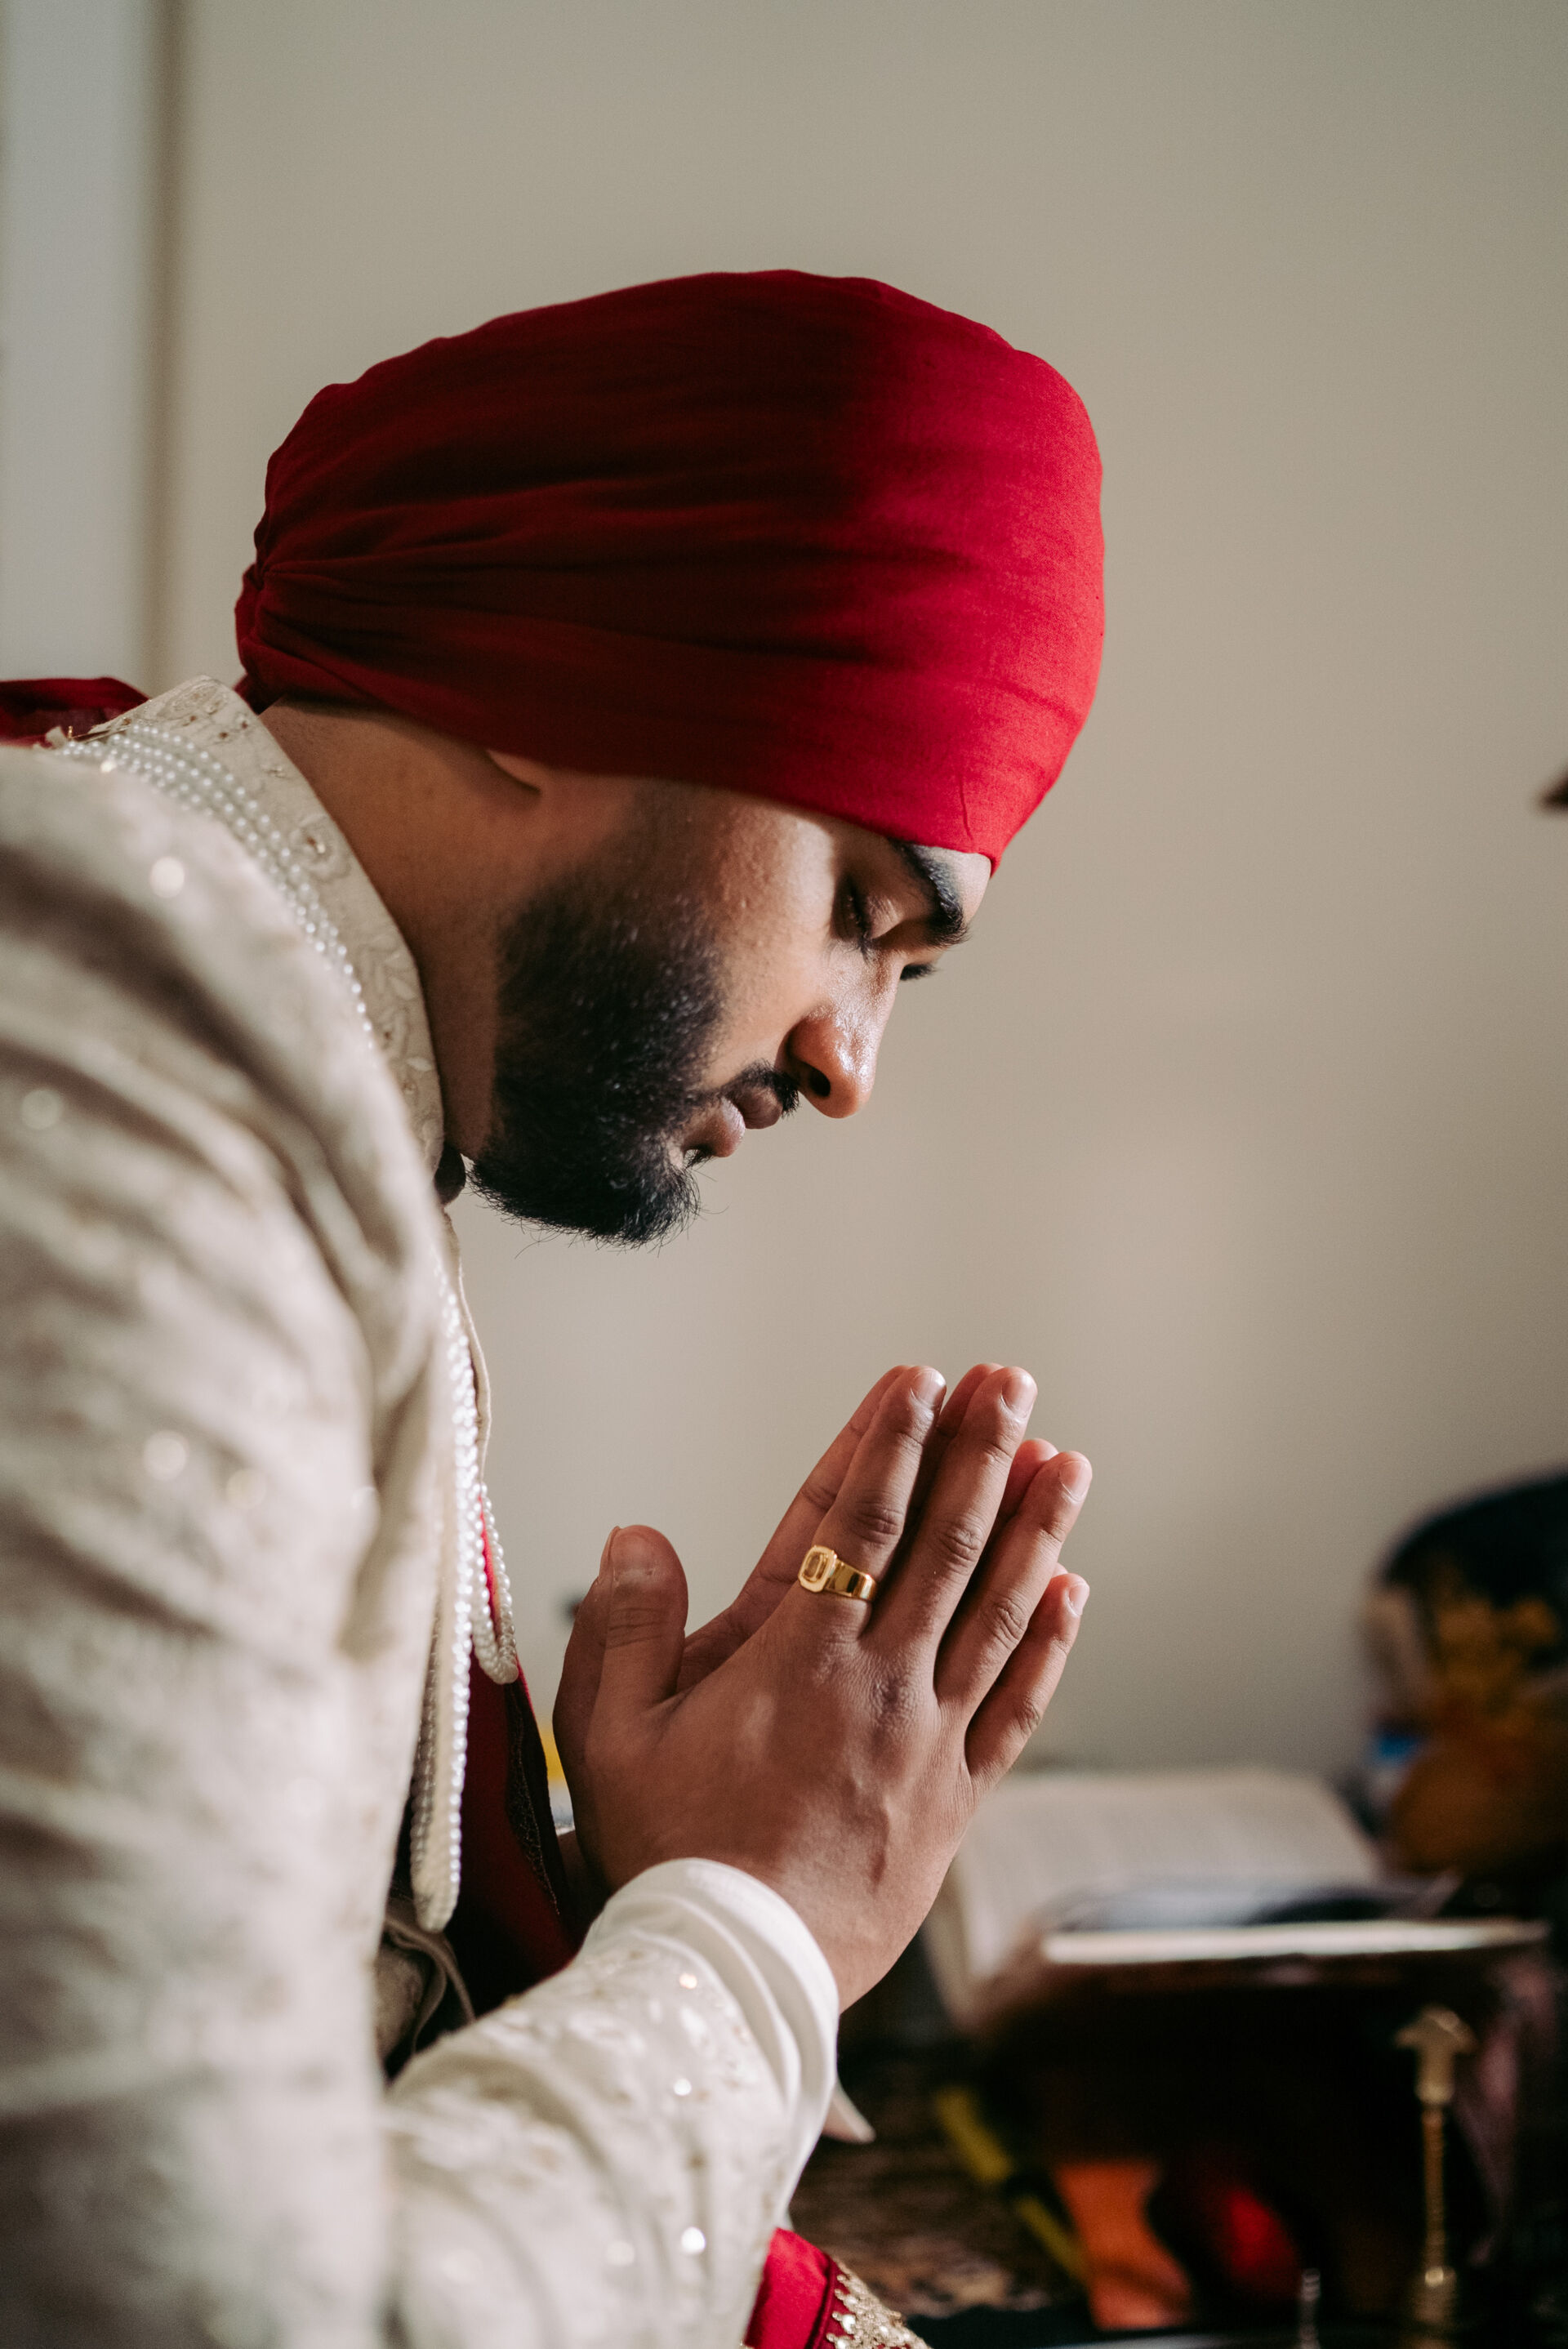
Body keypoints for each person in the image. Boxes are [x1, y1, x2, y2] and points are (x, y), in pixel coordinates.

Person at [0, 269, 1102, 2348]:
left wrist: (607, 1903)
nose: (849, 1060)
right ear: (555, 678)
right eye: (863, 912)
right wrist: (754, 1927)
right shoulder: (99, 1026)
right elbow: (188, 2307)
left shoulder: (293, 1058)